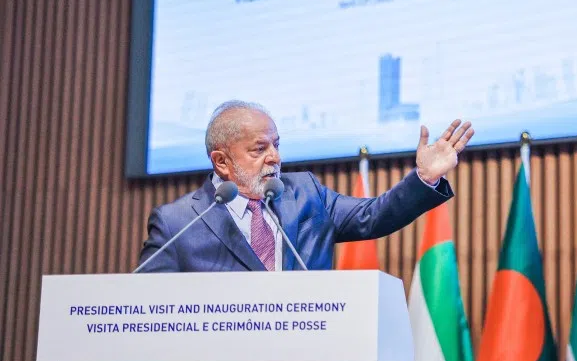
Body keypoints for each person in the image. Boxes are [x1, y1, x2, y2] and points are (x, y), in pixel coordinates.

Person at [136, 100, 474, 272]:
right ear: (221, 161)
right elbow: (146, 310)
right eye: (259, 148)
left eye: (276, 145)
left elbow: (374, 216)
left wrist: (425, 178)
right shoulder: (178, 223)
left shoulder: (306, 194)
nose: (274, 158)